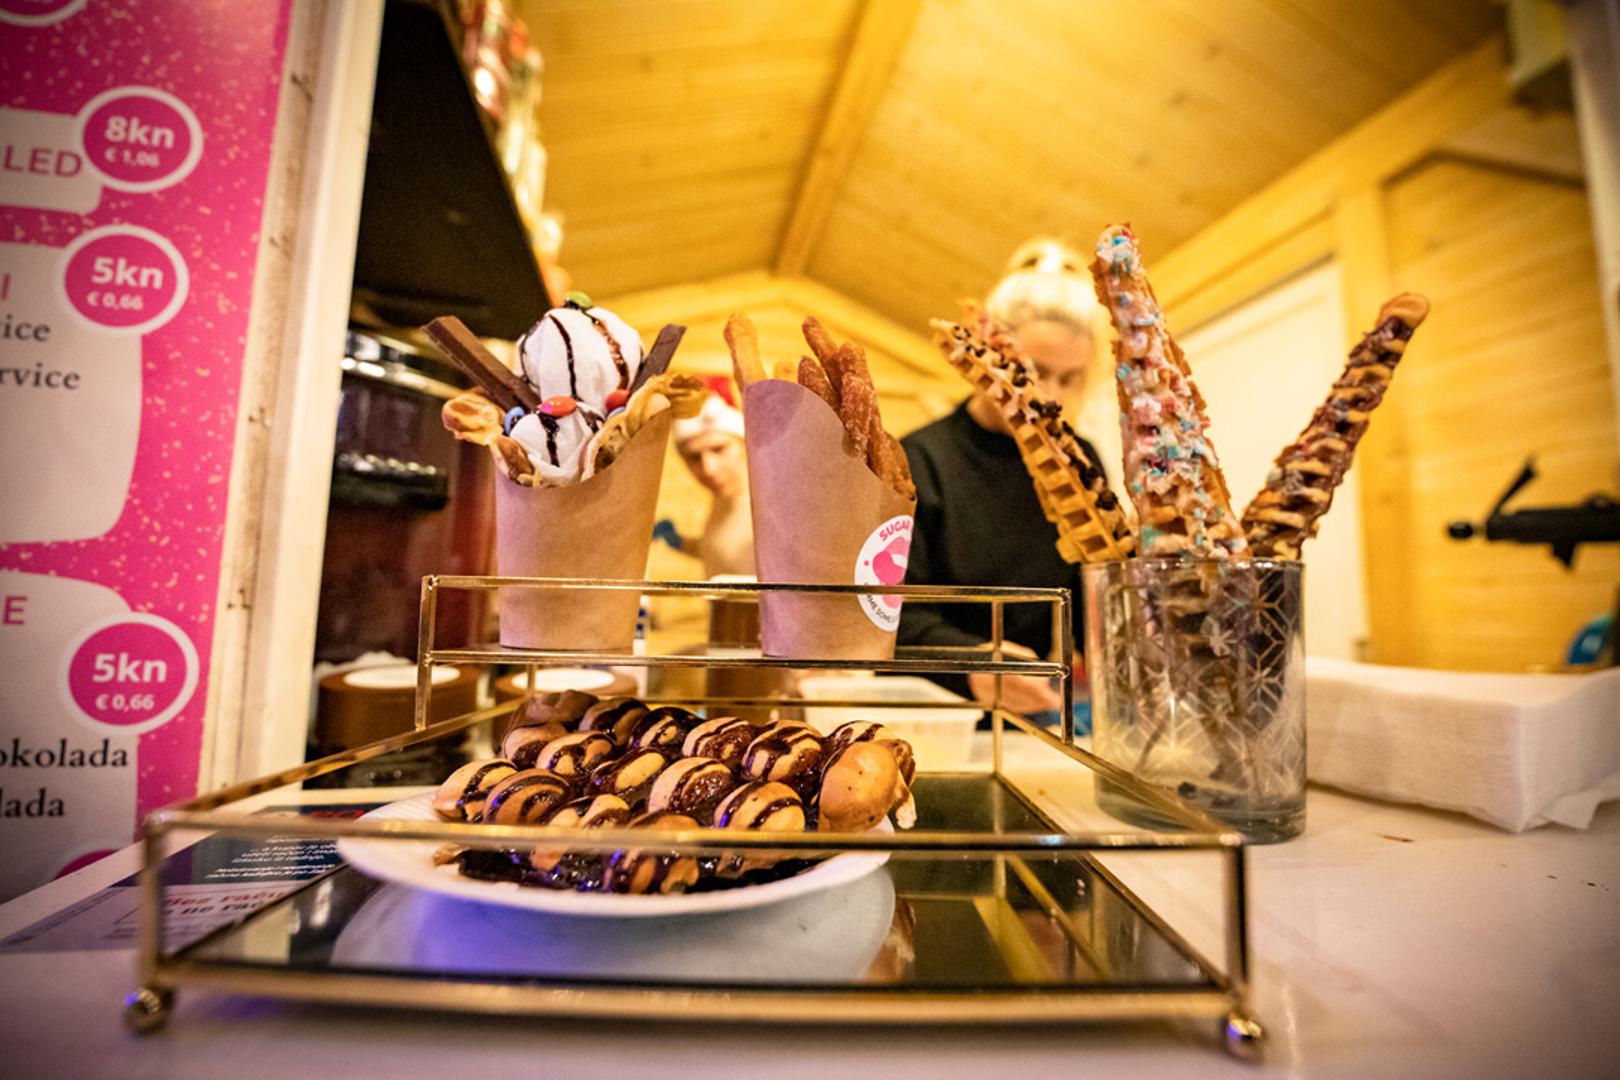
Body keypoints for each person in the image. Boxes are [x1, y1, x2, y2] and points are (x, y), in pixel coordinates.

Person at [899, 239, 1107, 714]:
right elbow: (892, 616)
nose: (1050, 396)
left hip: (1034, 709)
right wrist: (972, 662)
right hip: (935, 712)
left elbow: (1090, 603)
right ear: (991, 357)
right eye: (1034, 372)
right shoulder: (922, 458)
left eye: (1069, 378)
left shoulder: (1081, 461)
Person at [655, 386, 754, 578]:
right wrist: (682, 543)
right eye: (694, 458)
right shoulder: (723, 499)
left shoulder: (775, 508)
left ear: (745, 445)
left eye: (718, 449)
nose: (709, 468)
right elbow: (721, 552)